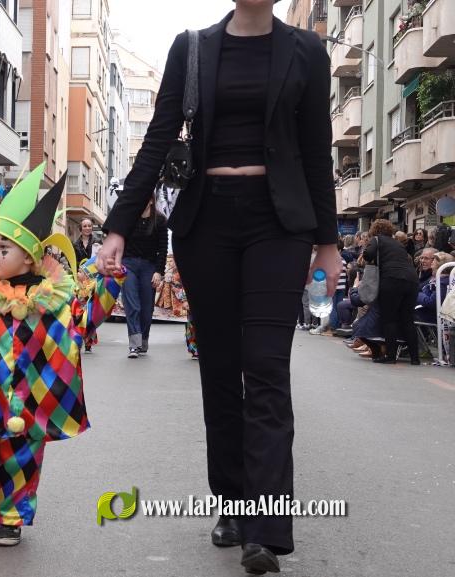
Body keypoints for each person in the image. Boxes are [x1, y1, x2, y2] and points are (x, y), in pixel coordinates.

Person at [95, 1, 342, 572]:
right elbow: (157, 139)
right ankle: (232, 504)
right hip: (206, 224)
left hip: (279, 225)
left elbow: (314, 148)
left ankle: (266, 526)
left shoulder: (306, 50)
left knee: (266, 366)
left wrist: (326, 241)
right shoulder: (193, 46)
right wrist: (118, 227)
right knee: (220, 368)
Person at [0, 166, 124, 547]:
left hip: (33, 397)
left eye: (4, 249)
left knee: (22, 457)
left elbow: (86, 320)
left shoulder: (56, 300)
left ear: (31, 258)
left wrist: (110, 281)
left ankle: (10, 518)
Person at [362, 219, 419, 364]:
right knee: (407, 319)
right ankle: (415, 358)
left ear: (374, 229)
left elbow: (368, 254)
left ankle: (391, 356)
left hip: (392, 280)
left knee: (389, 318)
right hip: (412, 279)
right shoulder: (398, 243)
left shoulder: (376, 239)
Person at [121, 199, 168, 357]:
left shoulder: (160, 220)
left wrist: (158, 272)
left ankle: (143, 339)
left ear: (151, 200)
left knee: (147, 309)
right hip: (129, 265)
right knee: (132, 305)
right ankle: (134, 344)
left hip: (149, 266)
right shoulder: (129, 217)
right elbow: (120, 240)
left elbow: (163, 248)